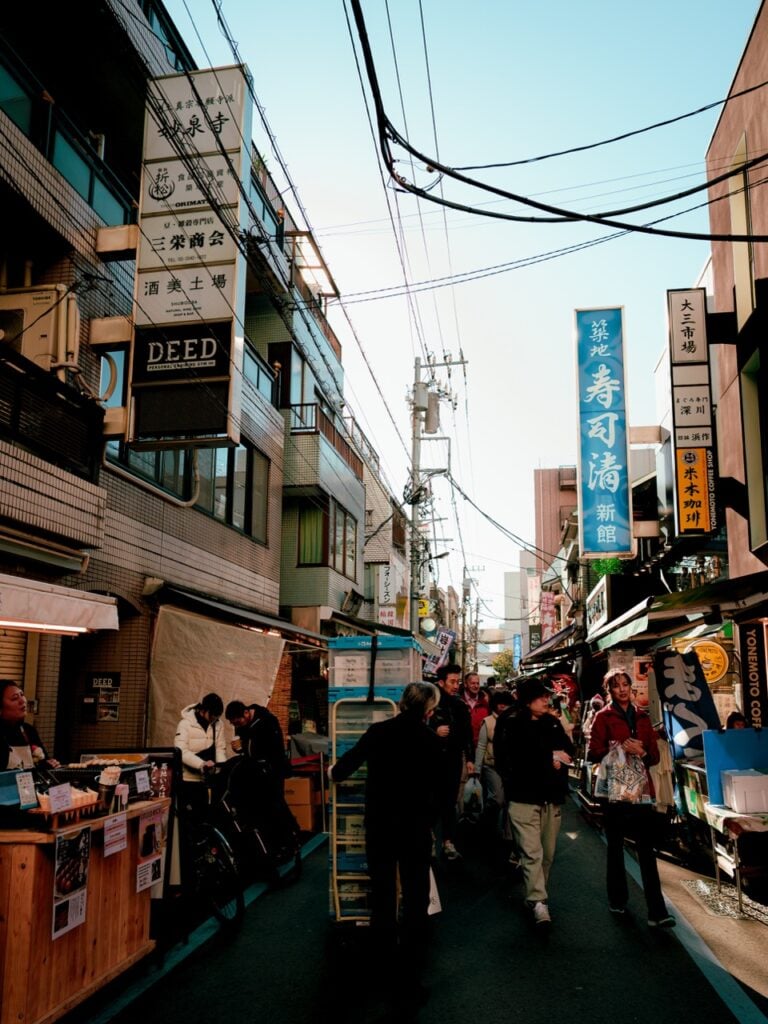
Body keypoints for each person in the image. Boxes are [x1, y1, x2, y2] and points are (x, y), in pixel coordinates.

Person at [330, 682, 442, 974]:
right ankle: (413, 956)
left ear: (403, 702)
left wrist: (333, 772)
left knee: (383, 889)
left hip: (381, 823)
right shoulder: (431, 740)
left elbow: (345, 766)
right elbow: (439, 789)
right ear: (429, 710)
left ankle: (383, 951)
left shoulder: (379, 731)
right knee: (416, 890)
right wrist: (431, 821)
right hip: (415, 826)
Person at [588, 669, 675, 929]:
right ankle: (617, 900)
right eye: (617, 686)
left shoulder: (642, 717)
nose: (622, 689)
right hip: (614, 792)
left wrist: (643, 752)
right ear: (609, 690)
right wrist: (620, 748)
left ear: (631, 688)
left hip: (641, 791)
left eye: (626, 684)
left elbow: (654, 757)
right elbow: (593, 752)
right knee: (615, 848)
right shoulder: (603, 716)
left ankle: (657, 912)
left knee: (647, 850)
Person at [495, 677, 574, 926]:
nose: (546, 700)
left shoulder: (552, 722)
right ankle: (538, 900)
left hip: (551, 797)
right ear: (528, 700)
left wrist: (561, 759)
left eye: (546, 696)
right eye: (541, 697)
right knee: (531, 852)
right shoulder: (511, 723)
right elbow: (506, 758)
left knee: (547, 854)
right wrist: (548, 758)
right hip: (522, 797)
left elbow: (569, 750)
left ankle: (537, 894)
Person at [225, 699, 299, 861]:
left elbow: (272, 749)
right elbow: (246, 749)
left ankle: (290, 842)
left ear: (246, 713)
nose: (237, 725)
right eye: (234, 723)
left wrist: (246, 747)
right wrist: (239, 749)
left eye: (238, 722)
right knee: (263, 810)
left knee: (276, 807)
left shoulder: (267, 721)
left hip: (272, 771)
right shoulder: (241, 725)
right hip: (255, 773)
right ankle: (270, 847)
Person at [429, 662, 474, 861]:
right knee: (431, 801)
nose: (456, 686)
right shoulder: (429, 703)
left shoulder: (460, 705)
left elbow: (467, 734)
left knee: (450, 802)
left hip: (454, 759)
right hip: (432, 760)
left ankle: (448, 841)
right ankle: (430, 838)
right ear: (441, 682)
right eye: (452, 682)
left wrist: (470, 759)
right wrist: (434, 731)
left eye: (458, 682)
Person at [174, 692, 227, 818]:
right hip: (188, 779)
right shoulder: (185, 724)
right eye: (212, 716)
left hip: (208, 780)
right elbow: (181, 751)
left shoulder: (218, 724)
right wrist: (201, 764)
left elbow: (220, 749)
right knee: (189, 817)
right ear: (204, 710)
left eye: (217, 716)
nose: (214, 719)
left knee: (206, 815)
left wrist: (220, 769)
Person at [474, 689, 513, 842]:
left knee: (510, 801)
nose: (502, 706)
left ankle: (507, 834)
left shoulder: (514, 720)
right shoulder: (488, 722)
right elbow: (481, 746)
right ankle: (488, 824)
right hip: (492, 765)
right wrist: (477, 769)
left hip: (510, 768)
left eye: (506, 703)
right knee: (497, 798)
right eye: (500, 703)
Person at [0, 679, 59, 770]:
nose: (22, 701)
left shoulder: (29, 730)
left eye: (22, 695)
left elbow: (43, 761)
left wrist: (50, 764)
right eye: (14, 698)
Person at [460, 670, 489, 747]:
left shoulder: (485, 702)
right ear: (465, 684)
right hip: (463, 747)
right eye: (473, 683)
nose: (476, 686)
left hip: (482, 746)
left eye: (477, 683)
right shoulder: (458, 702)